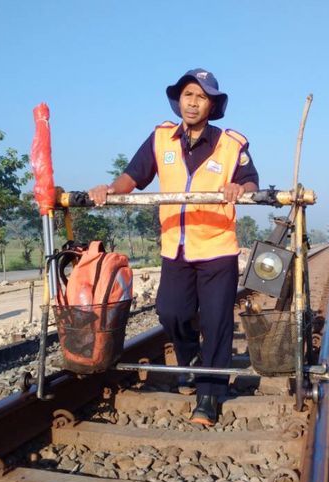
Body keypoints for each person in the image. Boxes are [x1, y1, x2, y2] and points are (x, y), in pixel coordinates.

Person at [88, 68, 259, 426]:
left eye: (200, 96)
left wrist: (238, 190)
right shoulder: (161, 138)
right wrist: (110, 189)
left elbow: (249, 182)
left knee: (215, 322)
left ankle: (210, 394)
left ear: (212, 104)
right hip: (175, 249)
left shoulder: (231, 144)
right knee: (171, 313)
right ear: (178, 100)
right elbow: (133, 175)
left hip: (216, 249)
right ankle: (191, 360)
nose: (192, 102)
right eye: (187, 95)